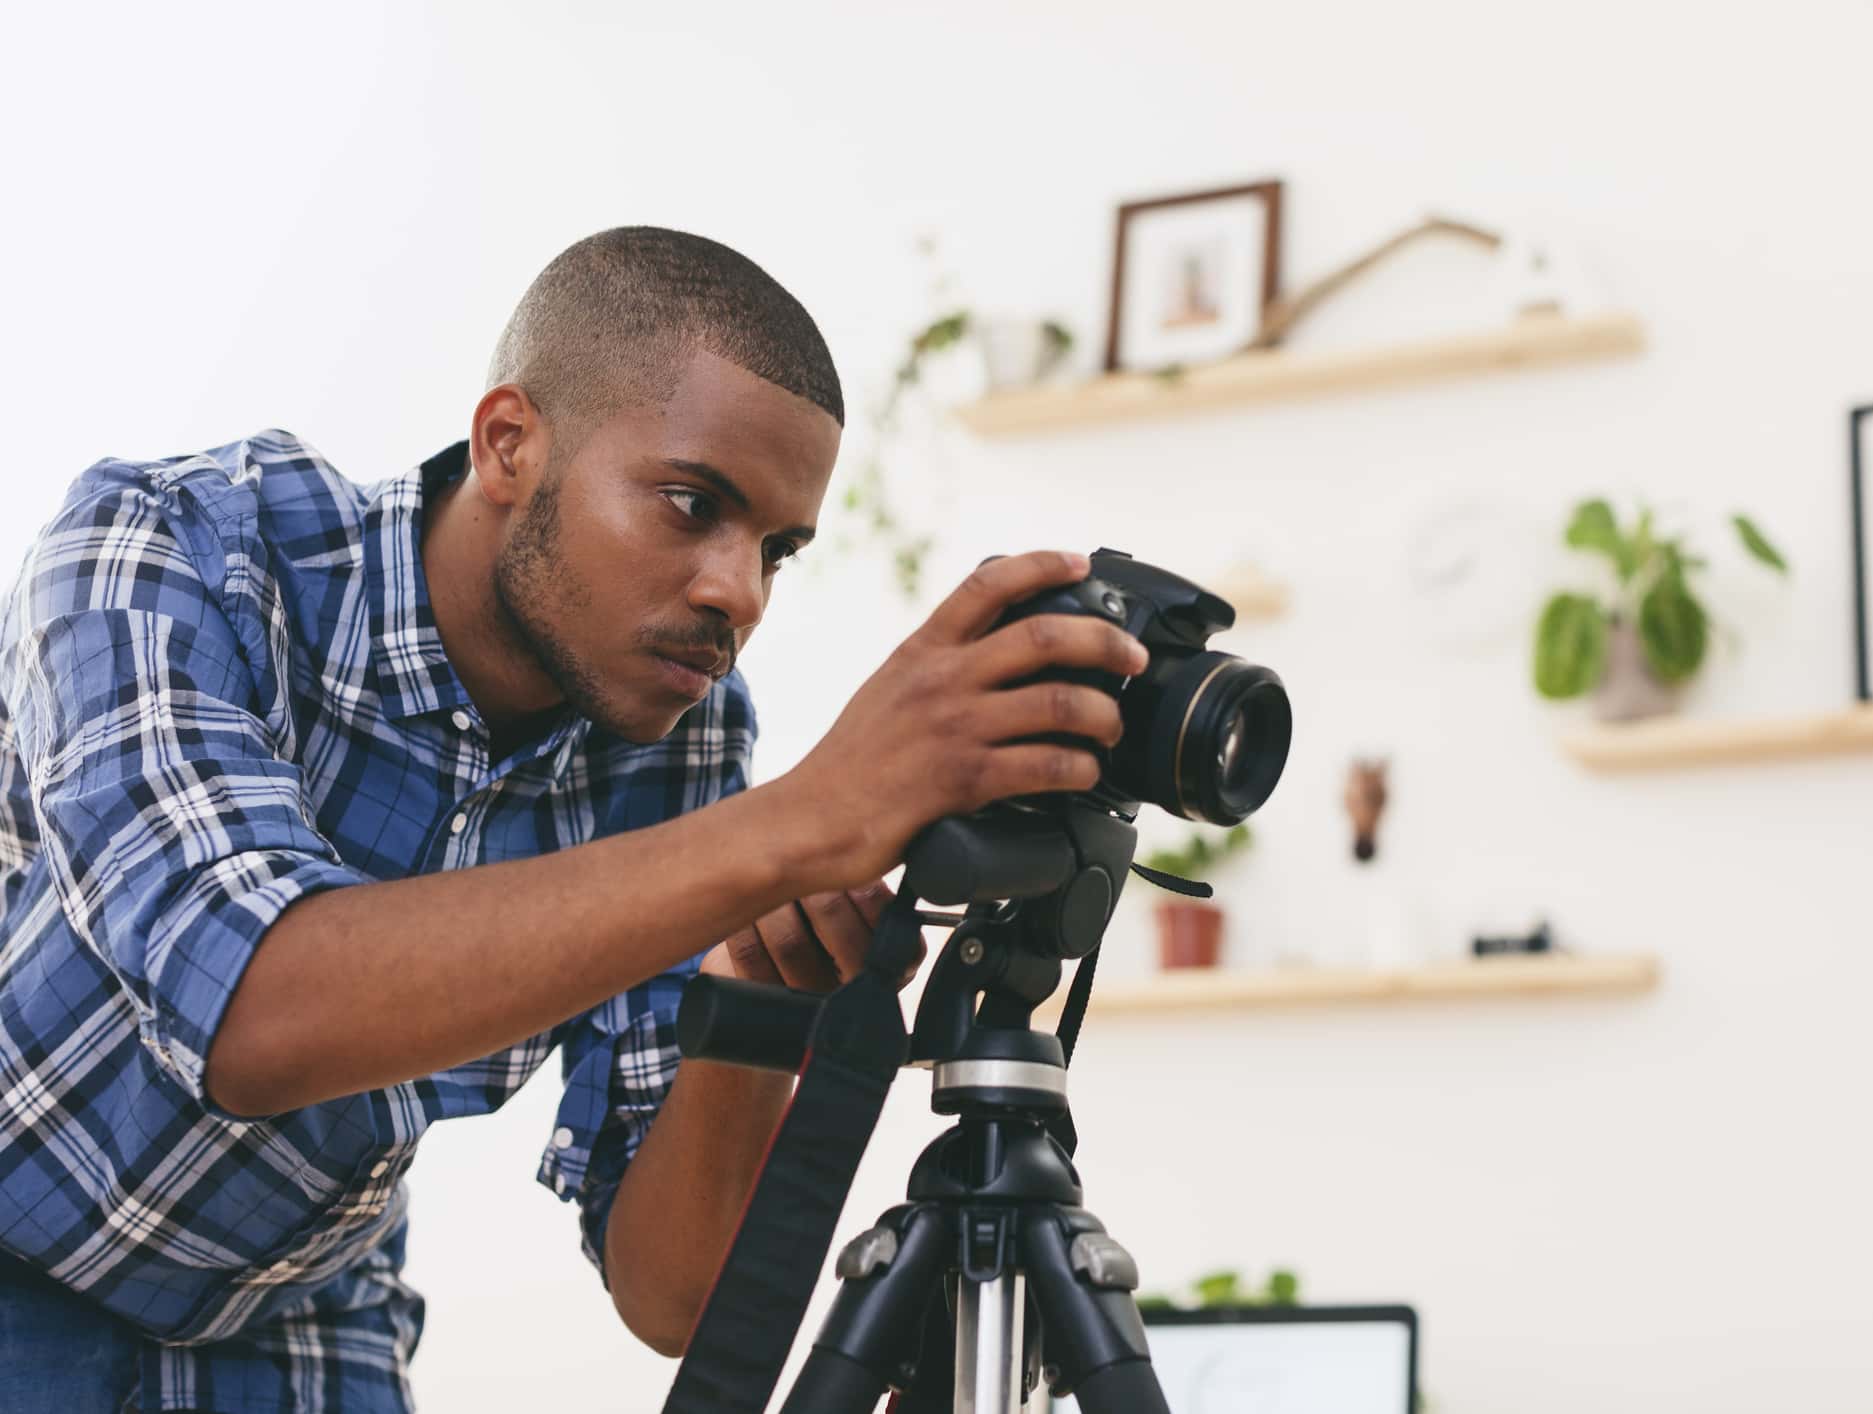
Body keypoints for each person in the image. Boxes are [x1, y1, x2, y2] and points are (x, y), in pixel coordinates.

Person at [0, 225, 1148, 1413]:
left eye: (779, 550)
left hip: (297, 1305)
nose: (737, 592)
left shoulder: (679, 735)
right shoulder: (172, 547)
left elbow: (677, 1300)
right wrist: (804, 819)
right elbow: (252, 1012)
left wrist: (756, 1008)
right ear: (511, 445)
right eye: (693, 502)